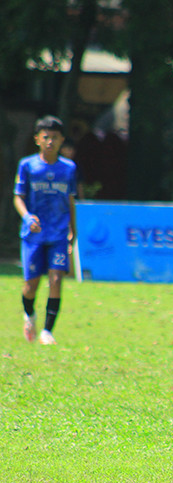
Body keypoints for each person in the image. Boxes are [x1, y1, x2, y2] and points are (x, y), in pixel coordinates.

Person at [14, 116, 78, 345]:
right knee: (31, 285)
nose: (50, 141)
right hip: (33, 235)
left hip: (59, 234)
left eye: (55, 137)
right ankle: (29, 314)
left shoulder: (68, 168)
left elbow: (70, 202)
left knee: (56, 279)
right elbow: (18, 197)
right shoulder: (28, 165)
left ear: (62, 140)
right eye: (46, 137)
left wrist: (73, 231)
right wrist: (27, 216)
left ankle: (47, 331)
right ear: (37, 140)